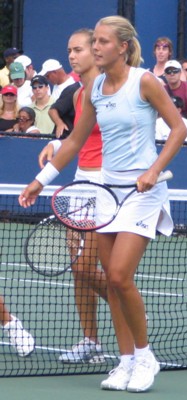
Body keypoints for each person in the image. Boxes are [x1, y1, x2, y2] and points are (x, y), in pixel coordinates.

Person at [18, 15, 187, 393]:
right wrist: (38, 182)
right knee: (112, 282)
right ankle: (125, 361)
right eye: (93, 42)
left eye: (103, 42)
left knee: (119, 275)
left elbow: (179, 128)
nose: (96, 48)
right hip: (106, 193)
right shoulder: (93, 90)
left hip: (144, 193)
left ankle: (145, 357)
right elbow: (75, 141)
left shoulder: (145, 81)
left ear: (122, 47)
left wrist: (154, 168)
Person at [39, 28, 107, 364]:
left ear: (95, 51)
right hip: (81, 182)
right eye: (69, 50)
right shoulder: (78, 94)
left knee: (86, 265)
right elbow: (77, 138)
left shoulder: (110, 89)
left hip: (107, 185)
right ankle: (90, 340)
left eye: (77, 49)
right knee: (79, 268)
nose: (72, 56)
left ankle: (132, 309)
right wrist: (55, 144)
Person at [164, 59, 187, 132]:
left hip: (185, 128)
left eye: (175, 71)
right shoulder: (162, 90)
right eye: (168, 71)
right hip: (165, 129)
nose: (172, 74)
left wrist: (184, 132)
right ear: (164, 74)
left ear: (180, 72)